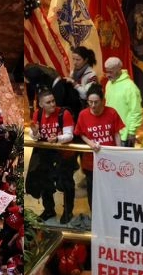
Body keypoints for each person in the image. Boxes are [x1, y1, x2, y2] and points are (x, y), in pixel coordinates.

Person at [73, 83, 125, 214]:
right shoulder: (83, 115)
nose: (93, 106)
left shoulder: (112, 112)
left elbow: (116, 134)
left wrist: (119, 153)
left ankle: (112, 214)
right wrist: (90, 142)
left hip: (110, 161)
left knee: (111, 189)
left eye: (96, 102)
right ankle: (95, 215)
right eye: (90, 102)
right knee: (92, 189)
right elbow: (81, 133)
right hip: (91, 162)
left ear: (103, 101)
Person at [27, 90, 76, 224]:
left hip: (63, 153)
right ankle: (49, 209)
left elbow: (69, 135)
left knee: (66, 184)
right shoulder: (38, 114)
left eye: (53, 101)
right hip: (45, 153)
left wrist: (57, 139)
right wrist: (35, 133)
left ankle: (68, 211)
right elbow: (34, 134)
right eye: (48, 102)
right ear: (41, 104)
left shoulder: (64, 113)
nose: (53, 104)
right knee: (44, 183)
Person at [102, 57, 142, 147]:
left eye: (110, 72)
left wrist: (131, 132)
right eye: (106, 71)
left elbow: (136, 112)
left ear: (118, 69)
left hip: (124, 136)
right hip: (110, 133)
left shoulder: (130, 87)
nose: (107, 75)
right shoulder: (109, 84)